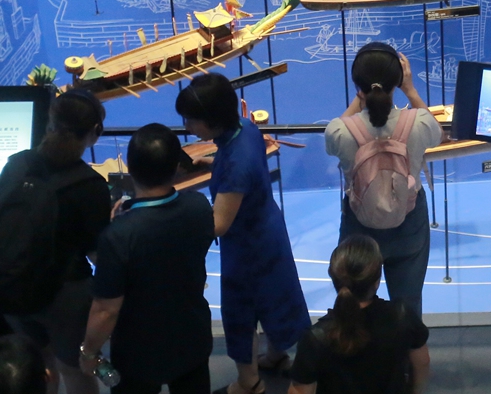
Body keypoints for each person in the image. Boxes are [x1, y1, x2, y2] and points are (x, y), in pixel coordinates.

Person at [176, 74, 310, 394]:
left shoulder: (237, 165)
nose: (187, 127)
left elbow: (219, 223)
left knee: (239, 311)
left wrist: (177, 219)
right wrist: (206, 162)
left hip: (246, 247)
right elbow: (232, 157)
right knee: (280, 299)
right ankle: (278, 355)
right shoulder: (246, 128)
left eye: (192, 120)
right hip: (269, 231)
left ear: (211, 121)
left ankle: (248, 382)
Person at [78, 124, 215, 394]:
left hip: (138, 353)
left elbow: (106, 310)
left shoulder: (118, 236)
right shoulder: (199, 207)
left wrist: (88, 352)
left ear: (130, 167)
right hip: (192, 338)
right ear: (177, 165)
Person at [1, 91, 109, 394]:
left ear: (50, 122)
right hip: (64, 296)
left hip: (12, 286)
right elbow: (98, 254)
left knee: (37, 366)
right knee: (73, 369)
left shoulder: (16, 164)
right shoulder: (90, 187)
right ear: (94, 133)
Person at [324, 42, 442, 319]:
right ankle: (411, 358)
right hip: (409, 221)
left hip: (359, 225)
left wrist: (360, 97)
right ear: (398, 80)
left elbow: (336, 134)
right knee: (409, 305)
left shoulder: (340, 131)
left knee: (355, 304)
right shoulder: (419, 123)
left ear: (357, 84)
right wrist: (410, 90)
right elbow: (436, 132)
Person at [288, 235, 430, 394]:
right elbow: (422, 362)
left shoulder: (316, 338)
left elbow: (300, 391)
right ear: (376, 281)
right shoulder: (402, 316)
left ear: (334, 278)